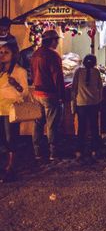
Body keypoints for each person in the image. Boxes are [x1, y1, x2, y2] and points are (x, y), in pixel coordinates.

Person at [31, 30, 64, 160]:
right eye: (56, 40)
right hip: (50, 94)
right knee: (52, 124)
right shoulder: (53, 55)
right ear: (51, 41)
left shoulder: (35, 54)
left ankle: (37, 152)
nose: (57, 43)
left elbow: (33, 74)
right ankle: (53, 152)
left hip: (37, 93)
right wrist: (61, 95)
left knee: (38, 123)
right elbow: (57, 77)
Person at [0, 42, 28, 182]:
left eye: (6, 52)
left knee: (11, 139)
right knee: (2, 140)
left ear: (13, 55)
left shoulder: (19, 71)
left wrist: (16, 85)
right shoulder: (1, 71)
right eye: (1, 52)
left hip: (11, 110)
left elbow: (25, 93)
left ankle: (11, 167)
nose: (2, 55)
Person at [71, 54, 103, 159]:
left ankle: (79, 150)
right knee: (94, 127)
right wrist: (99, 100)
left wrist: (73, 104)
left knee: (81, 127)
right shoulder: (96, 72)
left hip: (81, 104)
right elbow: (100, 87)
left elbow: (74, 88)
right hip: (94, 103)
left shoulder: (78, 72)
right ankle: (94, 149)